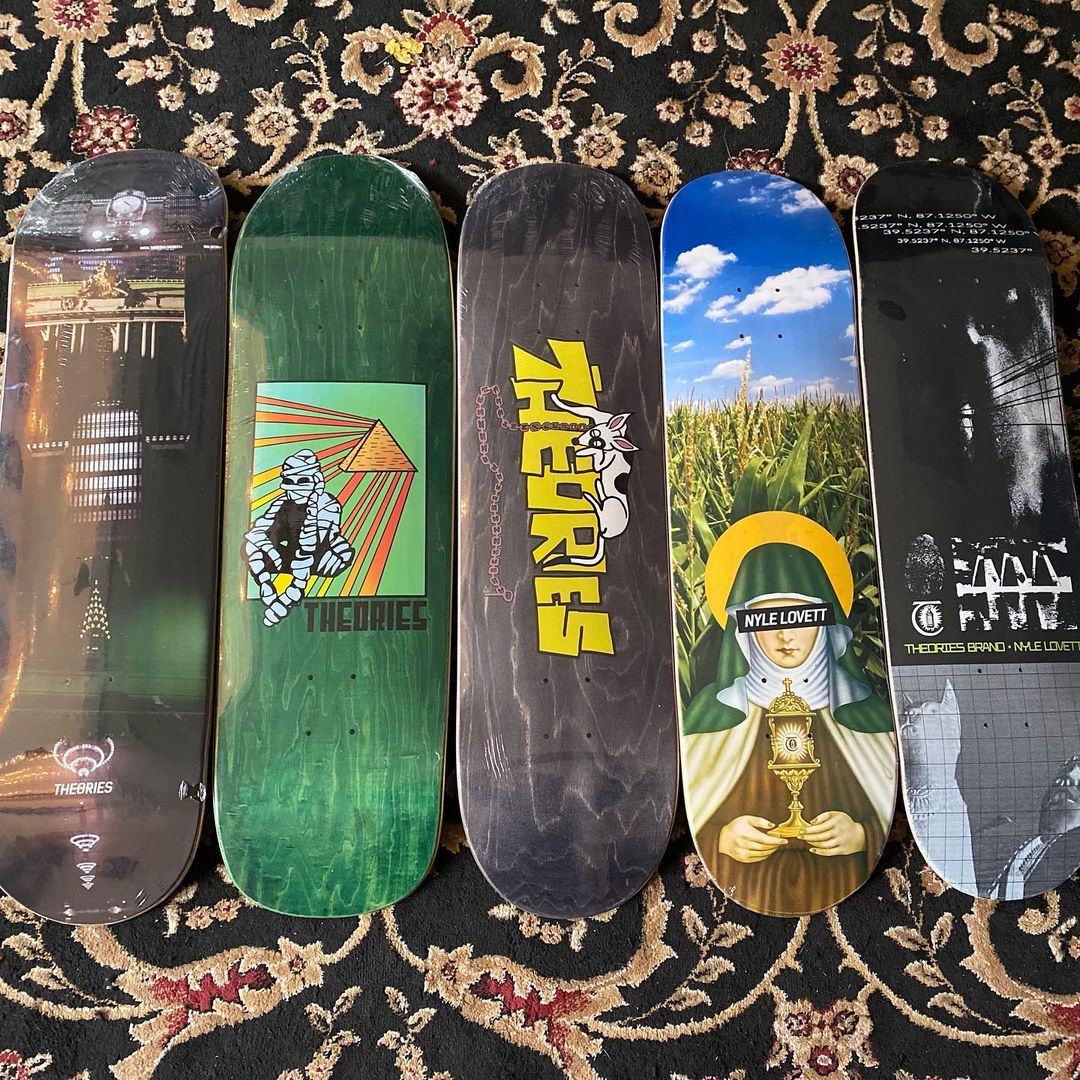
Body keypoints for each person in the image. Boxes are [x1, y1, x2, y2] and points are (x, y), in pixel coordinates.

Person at [683, 541, 895, 915]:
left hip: (852, 891)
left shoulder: (864, 714)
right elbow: (697, 809)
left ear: (825, 622)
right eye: (768, 620)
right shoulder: (712, 714)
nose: (786, 635)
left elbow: (889, 803)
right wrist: (723, 838)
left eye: (801, 616)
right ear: (744, 625)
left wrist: (863, 835)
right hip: (744, 891)